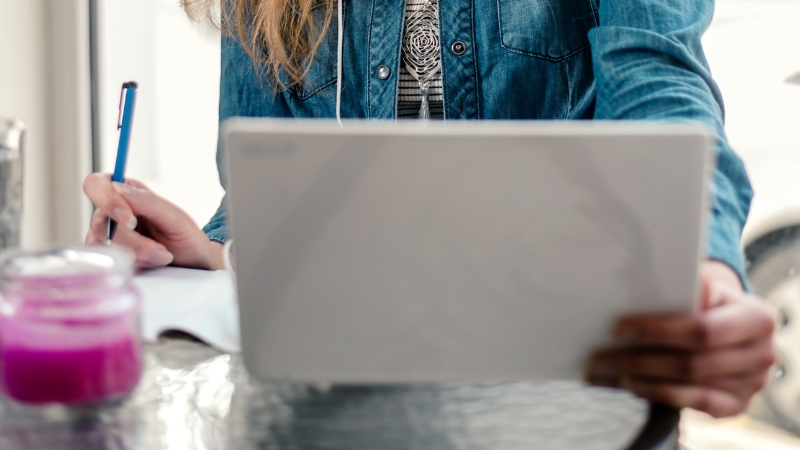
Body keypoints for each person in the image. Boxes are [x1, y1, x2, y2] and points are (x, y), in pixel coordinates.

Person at [83, 0, 775, 418]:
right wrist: (213, 251)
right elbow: (272, 177)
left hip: (565, 383)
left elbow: (659, 81)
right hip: (344, 398)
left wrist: (702, 261)